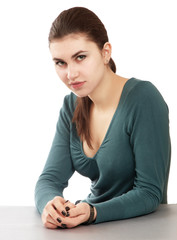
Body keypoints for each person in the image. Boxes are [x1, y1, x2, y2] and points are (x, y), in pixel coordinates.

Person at [35, 6, 171, 229]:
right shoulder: (71, 106)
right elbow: (49, 179)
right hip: (91, 227)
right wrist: (50, 205)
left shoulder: (143, 99)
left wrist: (93, 212)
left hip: (141, 230)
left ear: (105, 52)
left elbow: (150, 192)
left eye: (80, 57)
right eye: (60, 62)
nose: (70, 74)